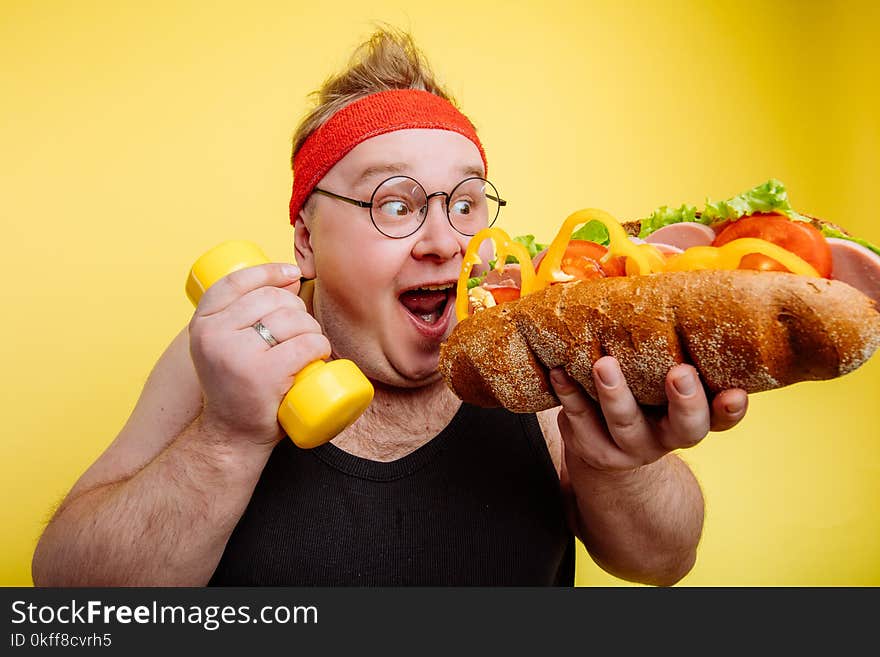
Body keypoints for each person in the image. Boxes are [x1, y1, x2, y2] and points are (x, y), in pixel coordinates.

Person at [31, 27, 748, 587]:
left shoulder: (535, 337)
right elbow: (69, 592)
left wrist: (617, 464)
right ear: (306, 243)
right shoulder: (230, 349)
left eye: (466, 203)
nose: (445, 239)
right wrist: (225, 439)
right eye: (395, 203)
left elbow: (663, 560)